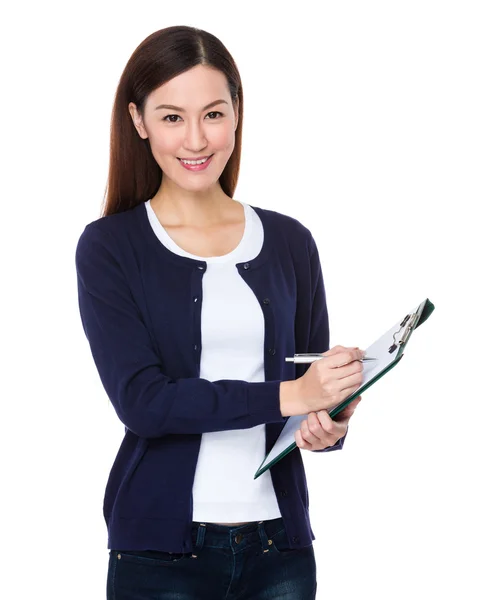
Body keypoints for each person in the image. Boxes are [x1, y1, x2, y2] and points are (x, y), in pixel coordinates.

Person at [75, 25, 364, 600]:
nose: (197, 139)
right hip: (159, 554)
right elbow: (144, 404)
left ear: (236, 113)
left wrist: (329, 417)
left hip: (279, 547)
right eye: (172, 117)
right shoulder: (110, 247)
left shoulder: (290, 241)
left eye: (213, 113)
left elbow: (307, 398)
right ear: (138, 122)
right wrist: (293, 395)